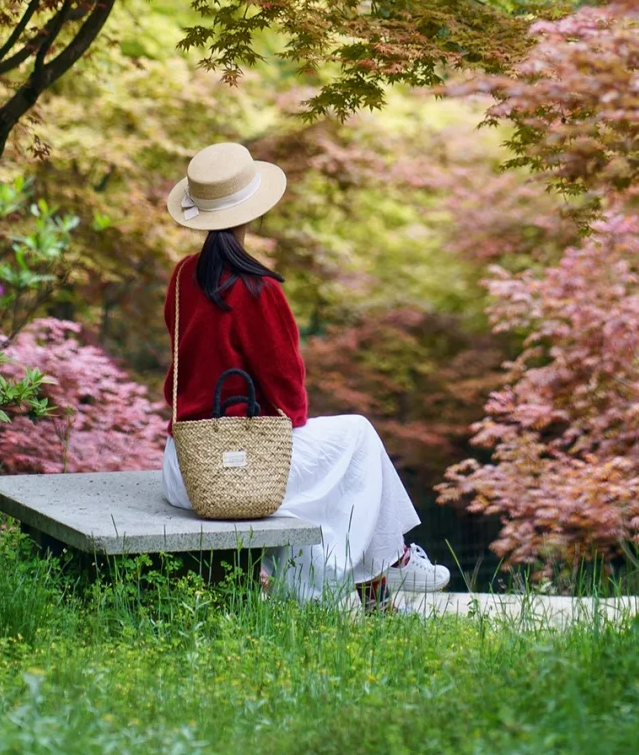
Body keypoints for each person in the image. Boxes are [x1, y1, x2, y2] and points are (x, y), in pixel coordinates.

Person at [161, 140, 451, 606]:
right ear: (252, 212)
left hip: (186, 467)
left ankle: (380, 587)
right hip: (235, 470)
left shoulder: (182, 278)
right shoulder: (256, 287)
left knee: (331, 472)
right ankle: (391, 564)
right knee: (355, 436)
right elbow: (291, 403)